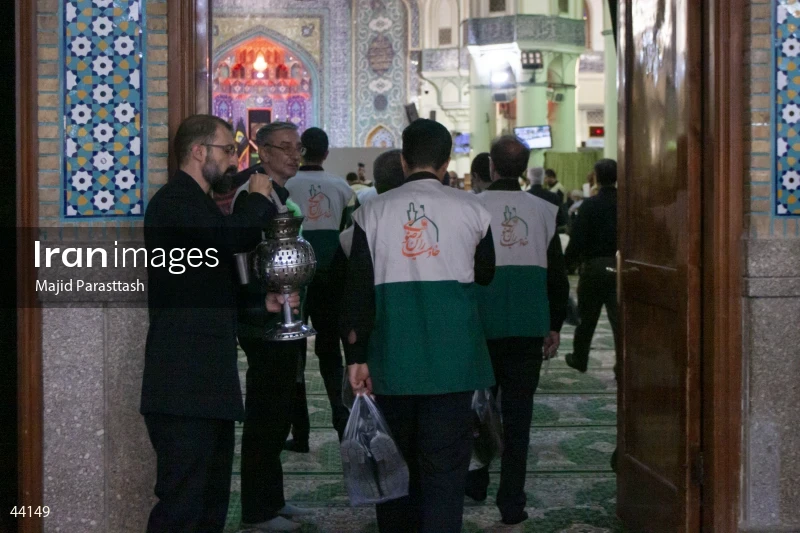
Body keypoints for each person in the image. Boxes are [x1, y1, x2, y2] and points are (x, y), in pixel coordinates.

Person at [141, 114, 296, 533]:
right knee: (182, 505)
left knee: (210, 503)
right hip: (182, 383)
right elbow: (227, 242)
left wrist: (260, 302)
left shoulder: (198, 203)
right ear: (198, 152)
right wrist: (257, 200)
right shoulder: (173, 203)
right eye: (228, 150)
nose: (233, 160)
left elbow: (207, 277)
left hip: (206, 382)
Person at [341, 119, 496, 533]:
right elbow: (485, 274)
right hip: (455, 363)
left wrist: (355, 359)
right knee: (446, 469)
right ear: (447, 162)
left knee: (395, 465)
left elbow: (357, 294)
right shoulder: (475, 210)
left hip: (392, 361)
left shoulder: (369, 213)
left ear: (404, 160)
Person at [465, 136, 570, 525]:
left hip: (480, 328)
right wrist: (554, 325)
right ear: (524, 168)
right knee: (519, 418)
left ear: (491, 166)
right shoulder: (545, 209)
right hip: (528, 328)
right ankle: (512, 502)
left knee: (478, 411)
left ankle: (475, 483)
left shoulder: (470, 206)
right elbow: (556, 277)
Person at [231, 122, 311, 531]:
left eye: (298, 147)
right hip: (263, 318)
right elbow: (243, 255)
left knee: (279, 412)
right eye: (285, 147)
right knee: (266, 414)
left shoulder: (279, 193)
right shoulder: (254, 194)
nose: (295, 154)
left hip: (282, 314)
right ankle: (257, 511)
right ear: (262, 151)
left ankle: (272, 499)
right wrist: (263, 301)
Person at [285, 127, 356, 447]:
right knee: (331, 355)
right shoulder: (342, 187)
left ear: (300, 151)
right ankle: (343, 426)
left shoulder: (286, 186)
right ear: (326, 154)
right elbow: (350, 236)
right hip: (332, 280)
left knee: (294, 355)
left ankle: (300, 433)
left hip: (295, 280)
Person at [564, 158, 619, 375]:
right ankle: (622, 364)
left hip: (594, 268)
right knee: (619, 321)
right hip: (620, 267)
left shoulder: (590, 205)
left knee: (586, 317)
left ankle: (580, 358)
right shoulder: (626, 202)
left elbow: (577, 239)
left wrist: (567, 264)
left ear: (596, 176)